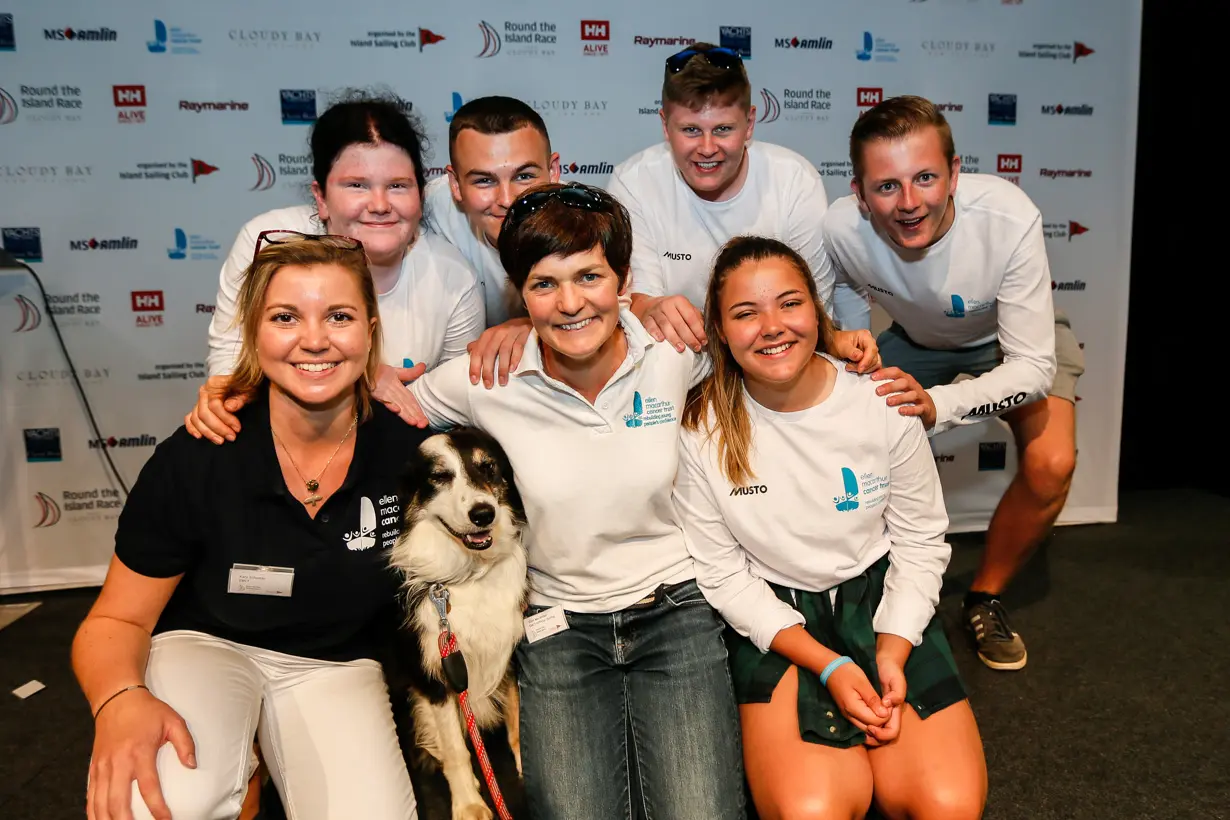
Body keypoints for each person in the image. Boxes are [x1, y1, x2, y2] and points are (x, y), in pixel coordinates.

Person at [407, 182, 747, 820]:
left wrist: (843, 347)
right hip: (557, 626)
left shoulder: (674, 352)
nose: (569, 303)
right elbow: (381, 407)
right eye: (543, 285)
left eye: (590, 277)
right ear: (519, 293)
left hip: (675, 608)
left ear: (623, 282)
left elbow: (769, 352)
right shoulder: (488, 377)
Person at [72, 236, 425, 820]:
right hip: (208, 645)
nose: (314, 339)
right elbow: (116, 618)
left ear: (370, 328)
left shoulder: (411, 455)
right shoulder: (201, 454)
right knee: (162, 806)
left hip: (334, 663)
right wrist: (120, 699)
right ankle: (237, 764)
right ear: (253, 333)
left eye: (339, 316)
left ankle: (253, 758)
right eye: (285, 317)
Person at [675, 236, 987, 820]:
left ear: (817, 313)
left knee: (948, 806)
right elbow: (722, 574)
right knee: (813, 811)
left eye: (789, 304)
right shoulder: (701, 428)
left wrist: (891, 651)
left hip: (881, 599)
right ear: (719, 331)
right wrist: (832, 664)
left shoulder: (881, 401)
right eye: (745, 313)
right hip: (780, 618)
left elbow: (921, 542)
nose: (771, 327)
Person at [822, 95, 1085, 671]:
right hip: (916, 341)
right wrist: (858, 356)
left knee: (1052, 465)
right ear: (860, 195)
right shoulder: (840, 227)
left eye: (925, 178)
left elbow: (1032, 366)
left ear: (956, 173)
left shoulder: (1008, 215)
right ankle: (859, 591)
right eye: (887, 186)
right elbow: (847, 293)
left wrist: (938, 405)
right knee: (840, 436)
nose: (910, 203)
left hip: (1011, 340)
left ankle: (984, 598)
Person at [188, 91, 484, 444]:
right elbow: (230, 372)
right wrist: (360, 374)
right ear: (321, 197)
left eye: (398, 186)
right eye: (357, 185)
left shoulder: (454, 278)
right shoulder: (267, 244)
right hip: (276, 447)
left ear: (420, 196)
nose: (379, 204)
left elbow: (457, 412)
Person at [605, 42, 866, 354]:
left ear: (749, 124)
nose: (707, 147)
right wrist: (650, 308)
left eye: (723, 129)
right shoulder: (633, 182)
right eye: (690, 129)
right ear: (664, 125)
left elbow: (812, 311)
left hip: (775, 355)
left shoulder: (794, 180)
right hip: (684, 356)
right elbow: (641, 300)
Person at [424, 95, 561, 329]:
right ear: (455, 185)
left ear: (553, 172)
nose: (507, 200)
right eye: (484, 181)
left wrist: (526, 331)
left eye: (524, 176)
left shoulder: (586, 221)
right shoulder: (431, 207)